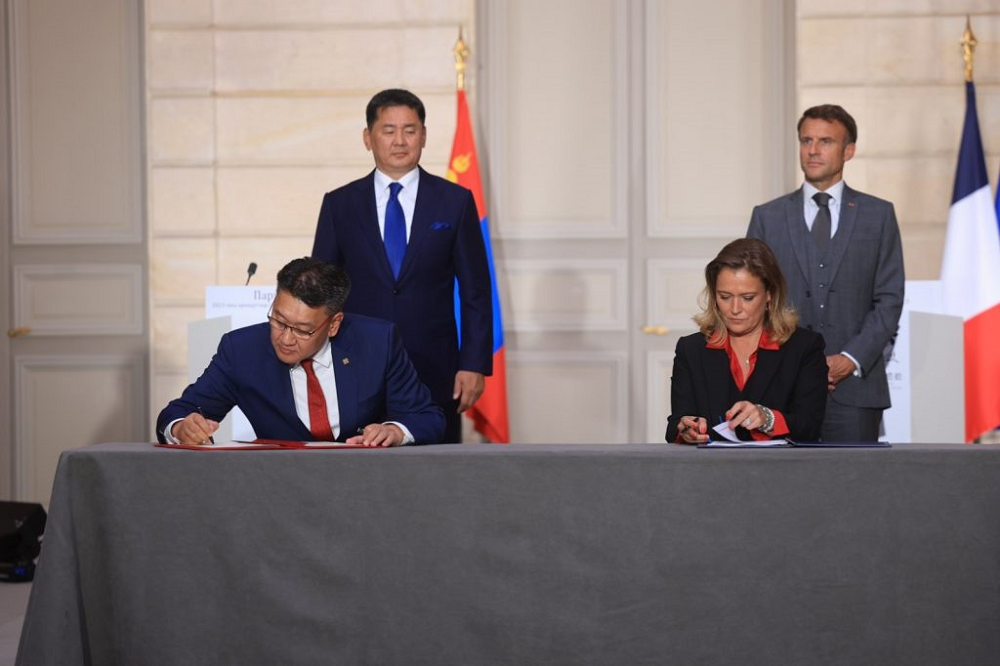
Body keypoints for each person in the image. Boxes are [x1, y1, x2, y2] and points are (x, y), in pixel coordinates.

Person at [311, 88, 492, 443]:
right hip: (356, 366)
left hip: (435, 369)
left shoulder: (454, 201)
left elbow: (476, 291)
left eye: (410, 130)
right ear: (368, 138)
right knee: (360, 466)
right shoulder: (340, 204)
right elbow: (320, 291)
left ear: (423, 136)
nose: (399, 141)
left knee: (435, 469)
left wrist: (473, 364)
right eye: (388, 130)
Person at [157, 258, 444, 447]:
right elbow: (177, 412)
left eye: (303, 330)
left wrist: (395, 431)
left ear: (334, 324)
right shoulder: (242, 350)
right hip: (278, 489)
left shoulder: (377, 343)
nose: (285, 338)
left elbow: (426, 417)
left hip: (364, 487)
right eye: (278, 321)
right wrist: (181, 428)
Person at [747, 104, 904, 442]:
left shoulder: (878, 216)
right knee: (781, 479)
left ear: (849, 151)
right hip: (781, 391)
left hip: (856, 391)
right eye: (806, 140)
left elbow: (889, 299)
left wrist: (850, 358)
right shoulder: (767, 217)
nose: (813, 150)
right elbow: (752, 300)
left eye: (825, 141)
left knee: (853, 477)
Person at [665, 238, 827, 444]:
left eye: (747, 298)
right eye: (725, 297)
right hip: (710, 464)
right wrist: (687, 429)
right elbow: (675, 426)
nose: (735, 309)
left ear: (770, 295)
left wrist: (768, 419)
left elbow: (810, 427)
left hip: (781, 464)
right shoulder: (691, 350)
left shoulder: (804, 347)